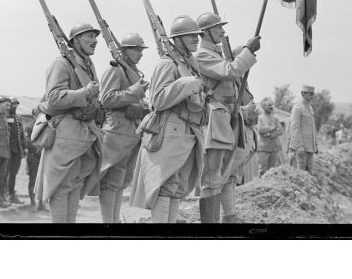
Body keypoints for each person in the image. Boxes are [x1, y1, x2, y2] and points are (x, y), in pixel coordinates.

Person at [130, 16, 206, 223]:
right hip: (169, 132)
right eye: (189, 36)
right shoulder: (167, 64)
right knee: (165, 186)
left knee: (177, 188)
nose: (195, 39)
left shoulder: (189, 64)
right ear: (177, 40)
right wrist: (187, 84)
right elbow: (157, 100)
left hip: (188, 132)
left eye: (196, 35)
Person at [194, 12, 260, 223]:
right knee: (213, 176)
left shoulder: (218, 55)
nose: (223, 31)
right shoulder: (203, 55)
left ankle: (229, 217)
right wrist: (248, 51)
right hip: (216, 120)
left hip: (229, 118)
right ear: (205, 32)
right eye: (218, 28)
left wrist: (243, 50)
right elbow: (230, 71)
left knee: (228, 174)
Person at [35, 22, 103, 223]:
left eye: (94, 36)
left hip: (84, 134)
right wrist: (84, 93)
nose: (95, 40)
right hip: (66, 134)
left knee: (74, 185)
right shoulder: (61, 63)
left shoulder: (87, 64)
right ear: (74, 41)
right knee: (60, 188)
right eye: (89, 36)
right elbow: (54, 97)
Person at [98, 33, 149, 223]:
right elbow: (107, 99)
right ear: (124, 50)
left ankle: (114, 220)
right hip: (117, 129)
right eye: (136, 49)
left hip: (130, 130)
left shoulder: (131, 70)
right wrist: (135, 91)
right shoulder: (116, 70)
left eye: (141, 49)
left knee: (119, 182)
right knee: (110, 182)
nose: (140, 53)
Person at [288, 85, 318, 173]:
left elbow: (312, 128)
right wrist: (299, 145)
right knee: (300, 172)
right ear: (303, 94)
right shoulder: (297, 108)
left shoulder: (310, 108)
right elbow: (295, 129)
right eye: (310, 94)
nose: (312, 96)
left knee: (309, 170)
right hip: (302, 146)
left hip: (310, 146)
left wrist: (315, 144)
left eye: (313, 94)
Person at [5, 98, 26, 204]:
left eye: (16, 105)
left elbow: (21, 134)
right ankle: (8, 194)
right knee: (7, 173)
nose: (14, 106)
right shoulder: (5, 117)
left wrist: (24, 146)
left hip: (17, 149)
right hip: (8, 149)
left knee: (13, 173)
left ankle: (11, 194)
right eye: (13, 104)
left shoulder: (18, 118)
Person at [257, 96, 283, 176]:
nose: (271, 107)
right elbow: (260, 130)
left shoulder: (276, 119)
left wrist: (270, 134)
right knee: (262, 170)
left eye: (272, 105)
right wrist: (272, 128)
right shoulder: (260, 118)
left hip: (274, 148)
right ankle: (261, 186)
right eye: (269, 105)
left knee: (272, 170)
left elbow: (280, 130)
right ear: (263, 106)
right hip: (263, 148)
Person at [24, 110, 45, 210]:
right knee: (34, 179)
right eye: (38, 114)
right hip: (33, 157)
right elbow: (28, 143)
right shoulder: (29, 127)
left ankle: (40, 202)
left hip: (43, 157)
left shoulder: (45, 126)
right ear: (34, 115)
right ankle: (33, 200)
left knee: (43, 180)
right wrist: (39, 152)